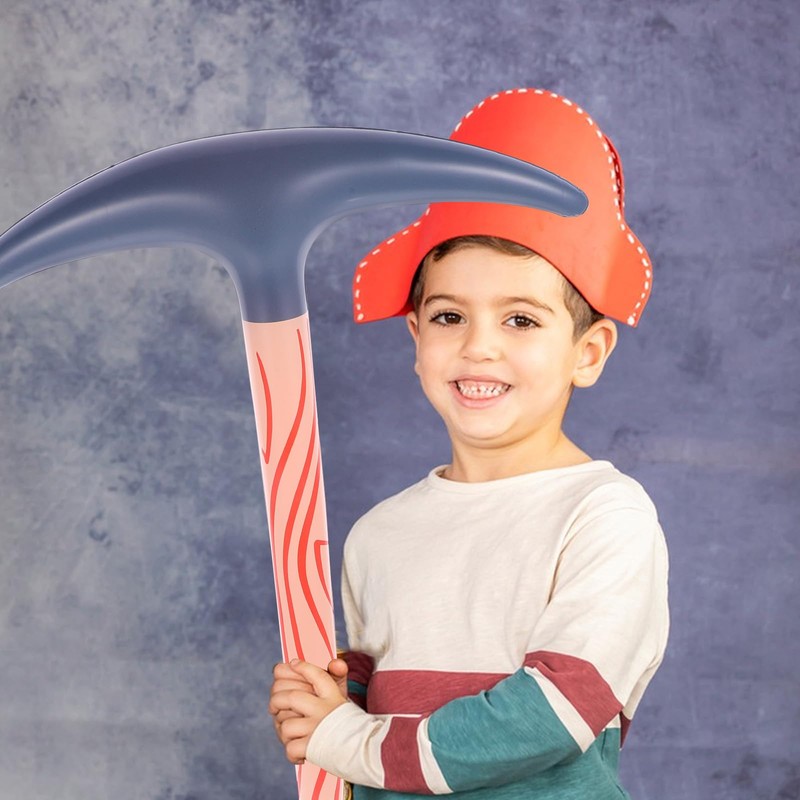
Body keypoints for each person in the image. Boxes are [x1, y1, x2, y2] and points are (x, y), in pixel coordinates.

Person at [268, 88, 669, 799]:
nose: (479, 347)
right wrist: (325, 700)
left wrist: (344, 738)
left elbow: (548, 718)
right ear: (416, 337)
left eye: (521, 320)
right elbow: (366, 719)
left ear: (587, 352)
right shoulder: (378, 535)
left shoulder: (605, 517)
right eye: (450, 316)